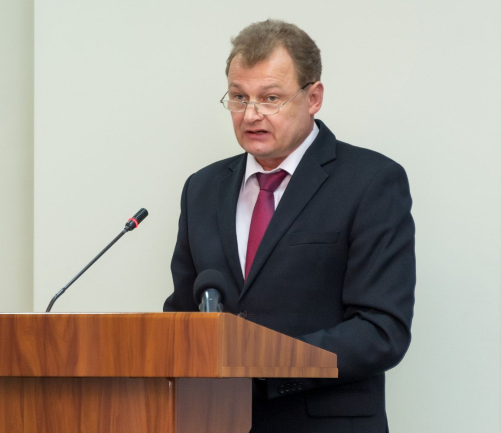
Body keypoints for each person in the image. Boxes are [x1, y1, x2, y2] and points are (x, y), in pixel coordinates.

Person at [163, 19, 415, 432]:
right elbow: (182, 315)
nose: (251, 114)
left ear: (313, 97)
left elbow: (381, 330)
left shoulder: (371, 181)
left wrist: (260, 362)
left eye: (271, 98)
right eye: (239, 97)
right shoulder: (202, 189)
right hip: (217, 421)